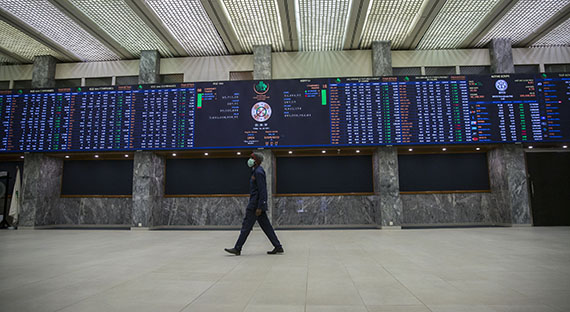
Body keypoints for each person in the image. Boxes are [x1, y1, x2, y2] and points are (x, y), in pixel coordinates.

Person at [225, 152, 283, 256]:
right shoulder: (255, 171)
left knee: (246, 226)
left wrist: (260, 206)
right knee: (267, 227)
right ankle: (278, 247)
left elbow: (262, 190)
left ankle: (237, 248)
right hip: (256, 204)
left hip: (255, 206)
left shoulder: (259, 172)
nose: (249, 159)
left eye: (252, 158)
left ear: (257, 161)